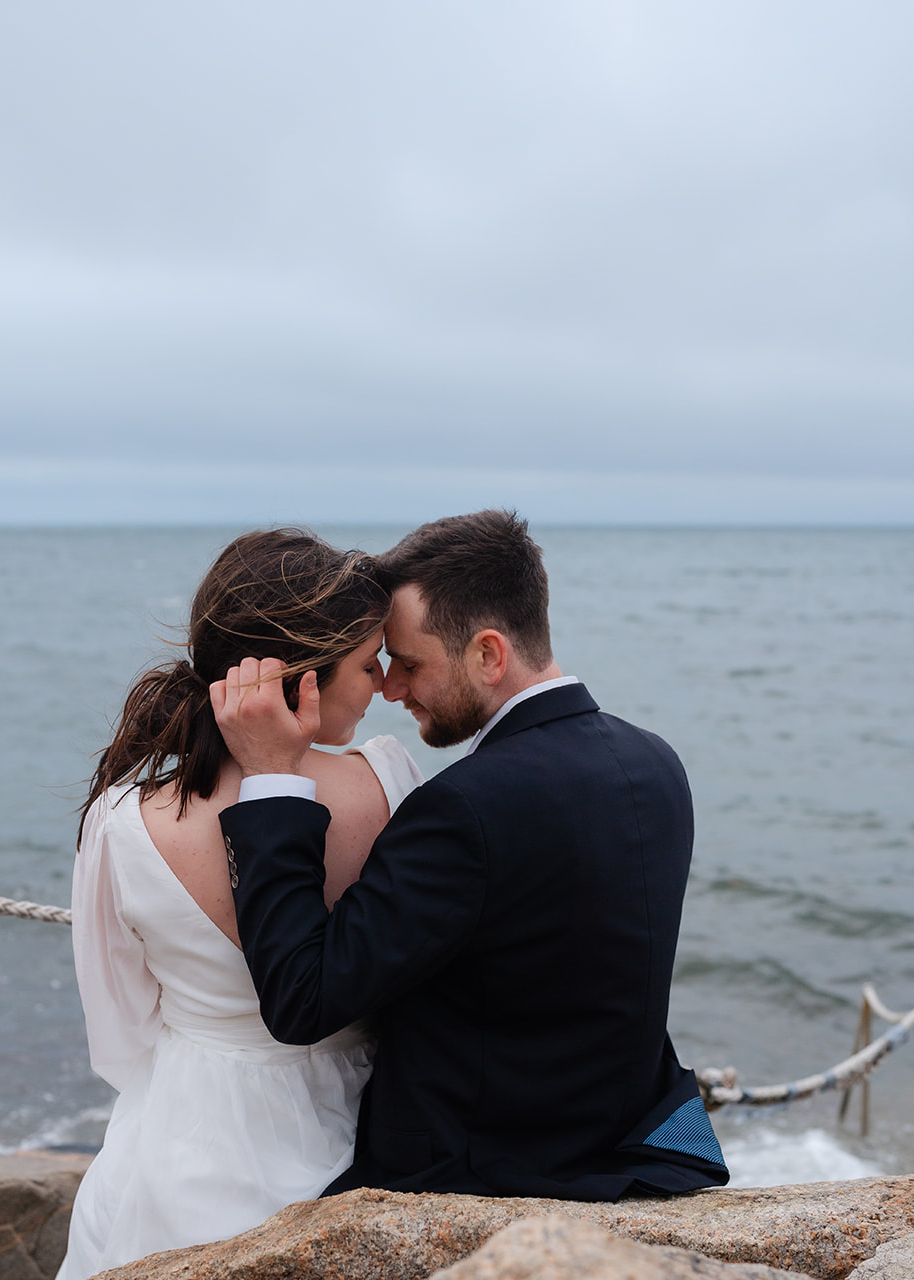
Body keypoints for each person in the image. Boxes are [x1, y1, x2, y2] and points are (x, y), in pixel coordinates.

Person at [213, 509, 729, 1200]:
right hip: (634, 1140)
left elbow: (303, 1000)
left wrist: (273, 780)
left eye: (409, 663)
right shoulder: (654, 761)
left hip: (480, 1173)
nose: (391, 689)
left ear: (488, 653)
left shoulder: (464, 806)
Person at [38, 529, 422, 1280]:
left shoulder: (122, 821)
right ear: (302, 680)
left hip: (191, 1125)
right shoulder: (387, 780)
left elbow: (118, 1028)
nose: (384, 685)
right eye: (368, 662)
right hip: (373, 1112)